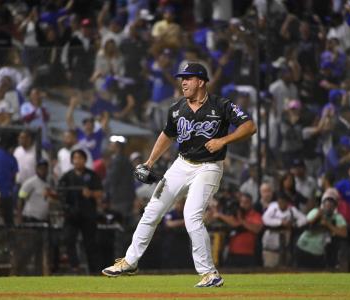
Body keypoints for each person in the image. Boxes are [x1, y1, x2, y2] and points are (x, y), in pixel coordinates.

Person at [102, 62, 257, 287]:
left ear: (201, 81)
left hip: (209, 166)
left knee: (191, 216)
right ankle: (130, 261)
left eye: (189, 77)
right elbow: (167, 134)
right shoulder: (177, 108)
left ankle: (210, 273)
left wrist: (223, 140)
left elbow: (249, 126)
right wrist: (149, 161)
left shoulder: (220, 105)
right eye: (182, 78)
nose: (183, 82)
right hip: (182, 164)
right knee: (152, 210)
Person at [58, 149, 103, 274]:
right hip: (71, 215)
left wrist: (91, 194)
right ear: (72, 160)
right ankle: (75, 267)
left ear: (85, 160)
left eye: (80, 158)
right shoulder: (67, 177)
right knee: (69, 239)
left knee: (90, 244)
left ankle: (94, 271)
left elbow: (100, 193)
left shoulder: (92, 175)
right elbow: (60, 193)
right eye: (75, 158)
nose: (77, 160)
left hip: (88, 215)